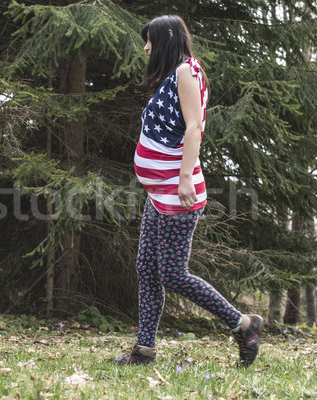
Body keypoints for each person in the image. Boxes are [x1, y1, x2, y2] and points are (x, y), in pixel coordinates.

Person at [112, 15, 263, 367]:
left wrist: (182, 178)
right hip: (160, 193)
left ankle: (245, 325)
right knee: (147, 269)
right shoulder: (176, 74)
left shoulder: (185, 71)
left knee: (173, 274)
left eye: (149, 40)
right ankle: (144, 350)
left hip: (178, 191)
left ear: (166, 36)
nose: (146, 47)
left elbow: (195, 127)